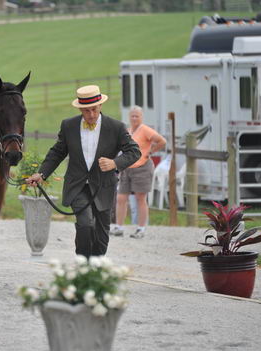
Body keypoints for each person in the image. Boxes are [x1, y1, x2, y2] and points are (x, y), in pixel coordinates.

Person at [26, 85, 140, 257]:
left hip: (104, 186)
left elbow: (134, 151)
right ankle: (83, 264)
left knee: (101, 236)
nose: (91, 115)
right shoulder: (68, 126)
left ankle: (96, 266)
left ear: (100, 106)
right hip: (77, 186)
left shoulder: (116, 127)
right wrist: (42, 174)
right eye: (86, 111)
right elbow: (57, 152)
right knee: (86, 224)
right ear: (80, 109)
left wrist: (115, 163)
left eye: (94, 110)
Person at [110, 106, 166, 238]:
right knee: (121, 197)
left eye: (137, 116)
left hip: (142, 168)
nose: (134, 118)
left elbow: (162, 141)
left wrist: (150, 152)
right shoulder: (128, 131)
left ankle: (141, 229)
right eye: (133, 116)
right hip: (127, 168)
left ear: (142, 117)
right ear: (129, 117)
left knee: (140, 198)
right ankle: (119, 227)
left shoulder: (145, 130)